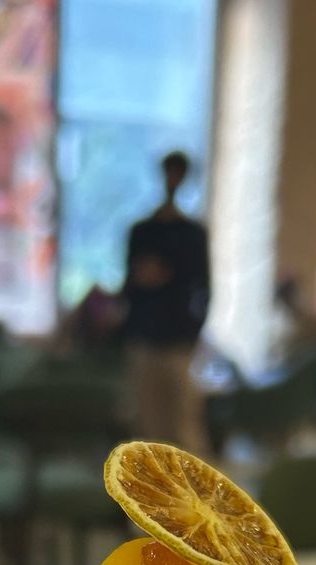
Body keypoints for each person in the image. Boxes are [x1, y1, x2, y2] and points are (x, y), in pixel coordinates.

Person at [123, 152, 210, 455]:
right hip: (146, 336)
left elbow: (203, 288)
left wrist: (193, 331)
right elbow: (129, 285)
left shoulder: (192, 235)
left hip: (178, 340)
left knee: (184, 422)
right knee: (147, 423)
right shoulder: (142, 232)